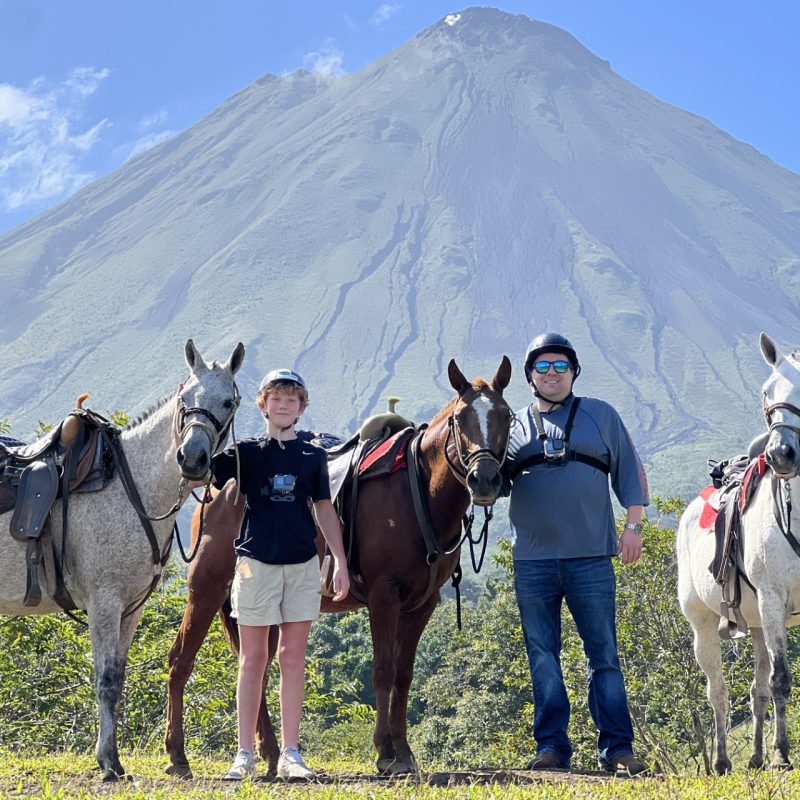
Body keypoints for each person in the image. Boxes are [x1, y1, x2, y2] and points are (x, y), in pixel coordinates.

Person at [503, 333, 649, 777]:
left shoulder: (600, 414)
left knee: (603, 654)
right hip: (532, 560)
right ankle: (551, 748)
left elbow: (628, 469)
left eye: (560, 366)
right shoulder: (512, 426)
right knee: (542, 654)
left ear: (574, 371)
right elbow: (490, 481)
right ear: (530, 375)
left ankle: (618, 750)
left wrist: (634, 526)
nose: (552, 374)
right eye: (543, 367)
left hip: (591, 556)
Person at [210, 367, 350, 781]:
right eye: (277, 397)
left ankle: (291, 753)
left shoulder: (312, 456)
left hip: (302, 564)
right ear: (262, 404)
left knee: (292, 658)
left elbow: (324, 508)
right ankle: (244, 753)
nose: (284, 404)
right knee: (253, 659)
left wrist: (339, 560)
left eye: (292, 399)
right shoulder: (247, 452)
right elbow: (203, 471)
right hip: (256, 565)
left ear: (301, 407)